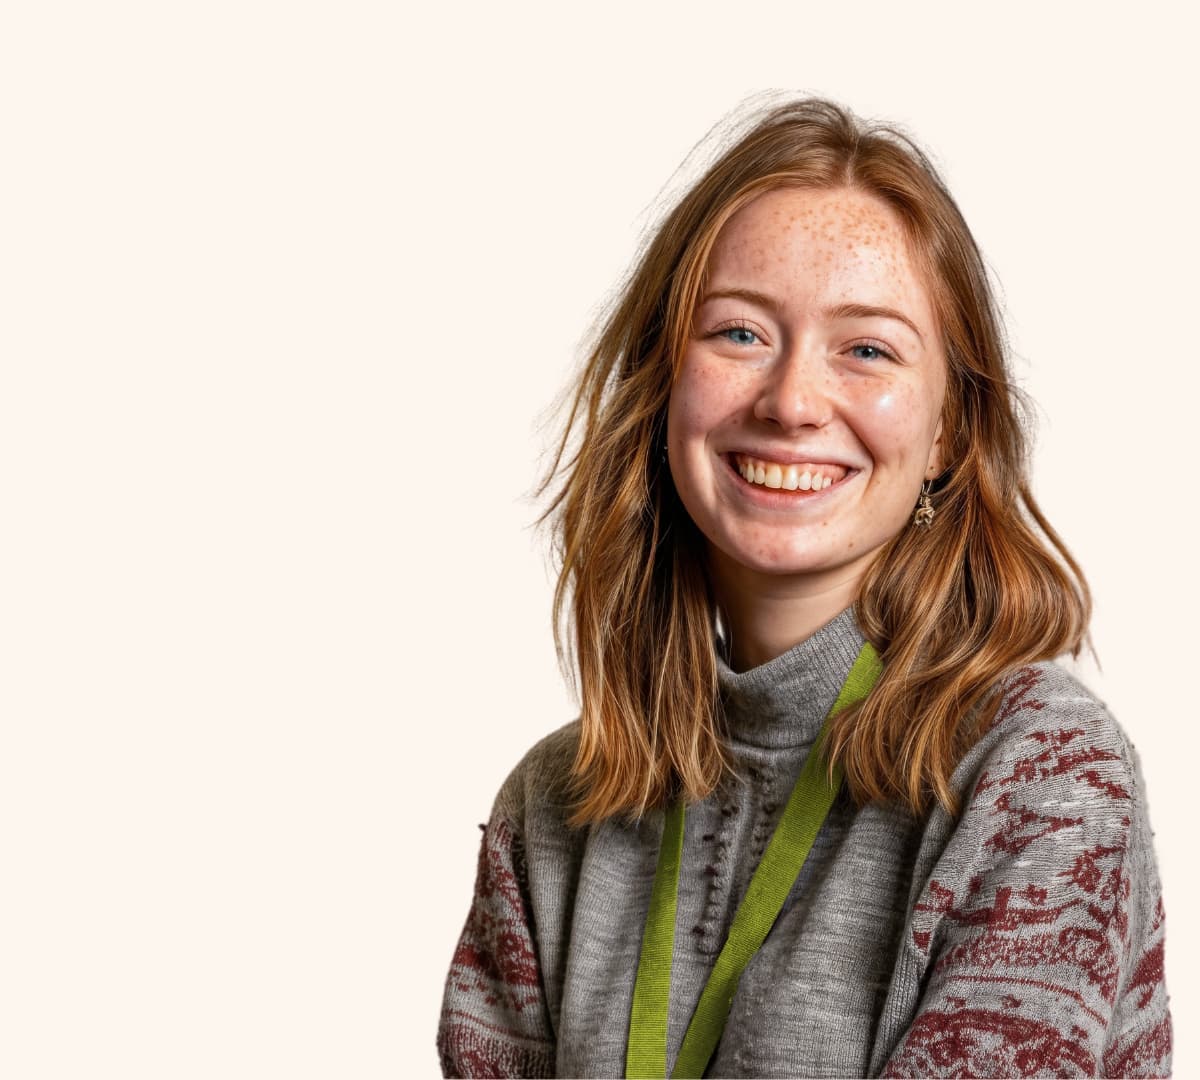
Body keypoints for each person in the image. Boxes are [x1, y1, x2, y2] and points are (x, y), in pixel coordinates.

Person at [436, 98, 1172, 1078]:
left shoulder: (1038, 776)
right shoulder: (550, 815)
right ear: (662, 387)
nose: (789, 402)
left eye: (866, 349)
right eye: (738, 334)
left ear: (950, 430)